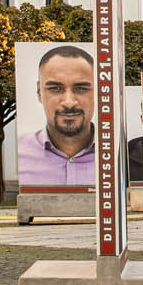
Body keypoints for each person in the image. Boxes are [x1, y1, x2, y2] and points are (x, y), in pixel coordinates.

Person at [15, 45, 95, 187]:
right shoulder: (18, 154)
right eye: (55, 89)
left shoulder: (118, 158)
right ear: (39, 92)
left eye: (81, 88)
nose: (69, 102)